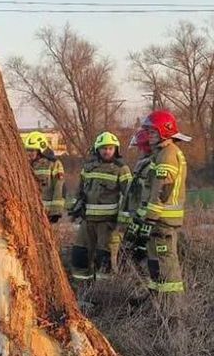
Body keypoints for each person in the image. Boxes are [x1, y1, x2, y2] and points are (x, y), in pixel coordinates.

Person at [129, 110, 189, 299]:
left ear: (165, 131)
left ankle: (173, 310)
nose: (149, 136)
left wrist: (150, 217)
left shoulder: (167, 154)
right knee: (156, 266)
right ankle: (158, 305)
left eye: (153, 132)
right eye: (149, 132)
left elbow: (163, 189)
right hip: (159, 220)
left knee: (166, 268)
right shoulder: (162, 153)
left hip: (163, 220)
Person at [68, 132, 132, 284]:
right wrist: (73, 208)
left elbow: (129, 196)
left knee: (104, 258)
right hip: (87, 221)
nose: (107, 151)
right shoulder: (88, 168)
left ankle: (103, 290)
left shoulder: (121, 169)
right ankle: (81, 288)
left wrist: (124, 221)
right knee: (80, 255)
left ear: (116, 150)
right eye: (104, 148)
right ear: (97, 149)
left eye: (110, 148)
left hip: (108, 223)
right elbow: (79, 190)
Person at [118, 128, 155, 268]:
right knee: (129, 253)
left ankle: (142, 279)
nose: (138, 151)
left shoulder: (150, 166)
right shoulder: (143, 165)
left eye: (140, 147)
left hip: (144, 220)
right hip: (137, 219)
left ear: (146, 147)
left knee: (142, 255)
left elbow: (148, 195)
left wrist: (142, 220)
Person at [24, 131, 64, 222]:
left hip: (46, 212)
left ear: (40, 151)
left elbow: (59, 187)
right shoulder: (24, 164)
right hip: (28, 212)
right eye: (28, 150)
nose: (29, 153)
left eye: (32, 150)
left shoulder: (53, 164)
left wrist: (56, 212)